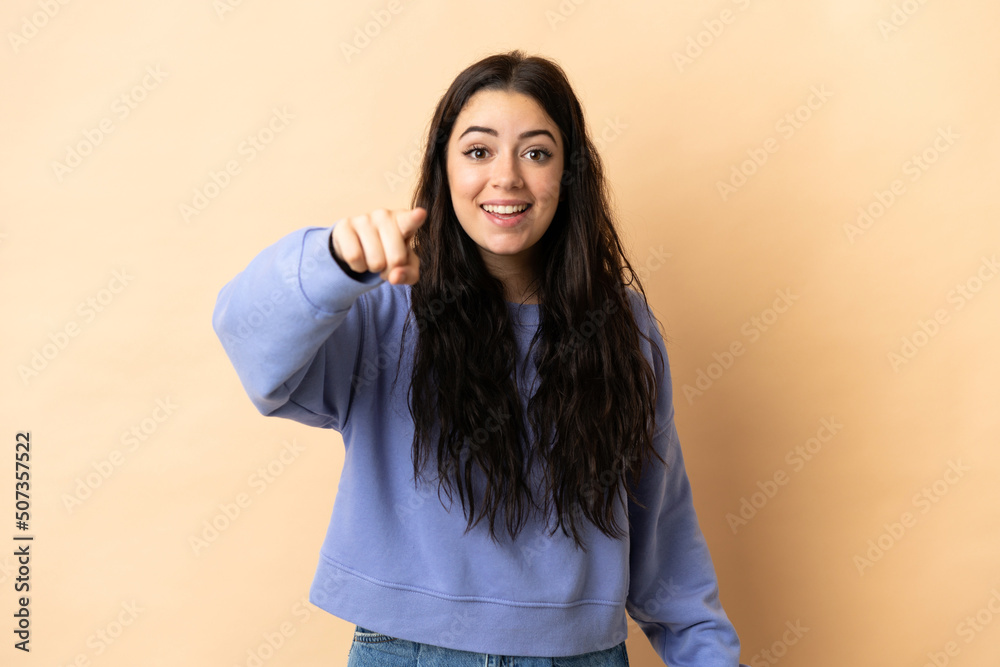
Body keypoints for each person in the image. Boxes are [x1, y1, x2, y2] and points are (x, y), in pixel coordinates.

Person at [213, 50, 747, 666]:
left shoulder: (623, 327)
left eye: (536, 153)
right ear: (444, 168)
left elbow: (663, 531)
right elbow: (250, 341)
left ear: (570, 173)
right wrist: (332, 260)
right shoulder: (384, 306)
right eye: (478, 151)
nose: (507, 178)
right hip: (410, 653)